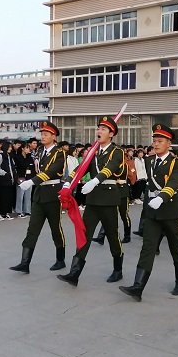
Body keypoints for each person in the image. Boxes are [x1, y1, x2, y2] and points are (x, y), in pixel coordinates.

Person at [119, 124, 178, 301]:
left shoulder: (177, 162)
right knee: (147, 248)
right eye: (154, 141)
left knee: (176, 248)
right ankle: (138, 287)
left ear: (169, 144)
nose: (156, 144)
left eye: (160, 141)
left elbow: (175, 182)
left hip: (170, 211)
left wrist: (161, 197)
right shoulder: (149, 160)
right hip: (152, 213)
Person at [58, 116, 126, 286]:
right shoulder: (93, 152)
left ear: (111, 134)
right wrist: (68, 182)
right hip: (93, 200)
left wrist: (95, 181)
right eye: (98, 128)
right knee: (85, 235)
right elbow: (80, 169)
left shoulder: (117, 151)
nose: (99, 131)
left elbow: (110, 168)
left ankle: (118, 269)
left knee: (112, 236)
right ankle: (74, 273)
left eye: (103, 129)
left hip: (108, 199)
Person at [9, 121, 67, 274]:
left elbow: (51, 172)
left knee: (55, 229)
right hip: (39, 194)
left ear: (53, 136)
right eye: (42, 134)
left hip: (53, 194)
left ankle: (60, 259)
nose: (43, 136)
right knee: (32, 229)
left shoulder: (59, 153)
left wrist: (31, 182)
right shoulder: (41, 151)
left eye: (46, 134)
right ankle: (25, 262)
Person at [0, 141, 16, 220]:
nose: (10, 148)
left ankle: (6, 212)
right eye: (9, 147)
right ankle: (0, 213)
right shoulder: (0, 155)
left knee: (8, 197)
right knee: (3, 196)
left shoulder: (9, 156)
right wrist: (5, 173)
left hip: (10, 180)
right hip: (3, 179)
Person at [13, 142, 36, 218]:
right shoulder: (18, 157)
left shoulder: (29, 157)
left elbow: (32, 167)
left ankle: (27, 210)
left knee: (28, 195)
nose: (28, 150)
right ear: (23, 149)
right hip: (21, 177)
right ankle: (19, 211)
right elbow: (23, 165)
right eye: (27, 148)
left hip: (29, 177)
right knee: (20, 195)